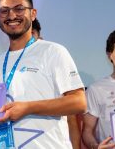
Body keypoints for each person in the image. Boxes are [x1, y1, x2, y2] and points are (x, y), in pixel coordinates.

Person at [0, 0, 86, 148]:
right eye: (4, 11)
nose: (11, 15)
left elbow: (79, 102)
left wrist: (28, 108)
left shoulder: (53, 51)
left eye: (19, 9)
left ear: (33, 13)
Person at [31, 17, 82, 149]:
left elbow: (72, 118)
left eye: (32, 35)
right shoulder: (3, 66)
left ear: (40, 38)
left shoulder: (55, 56)